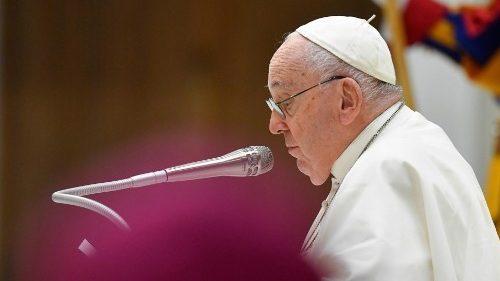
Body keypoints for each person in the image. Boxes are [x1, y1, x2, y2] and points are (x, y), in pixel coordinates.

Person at [265, 16, 500, 281]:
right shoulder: (404, 147)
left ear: (346, 100)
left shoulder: (388, 174)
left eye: (286, 102)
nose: (275, 125)